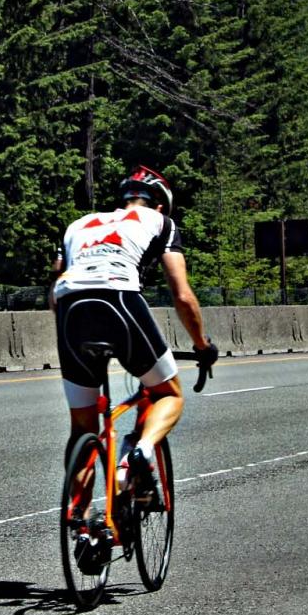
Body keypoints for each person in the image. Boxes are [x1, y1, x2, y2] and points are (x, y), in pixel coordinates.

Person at [51, 165, 217, 506]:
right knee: (169, 394)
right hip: (119, 300)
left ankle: (81, 524)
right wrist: (202, 345)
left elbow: (55, 290)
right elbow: (182, 295)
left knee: (83, 427)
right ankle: (139, 453)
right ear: (159, 206)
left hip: (70, 312)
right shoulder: (161, 223)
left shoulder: (77, 225)